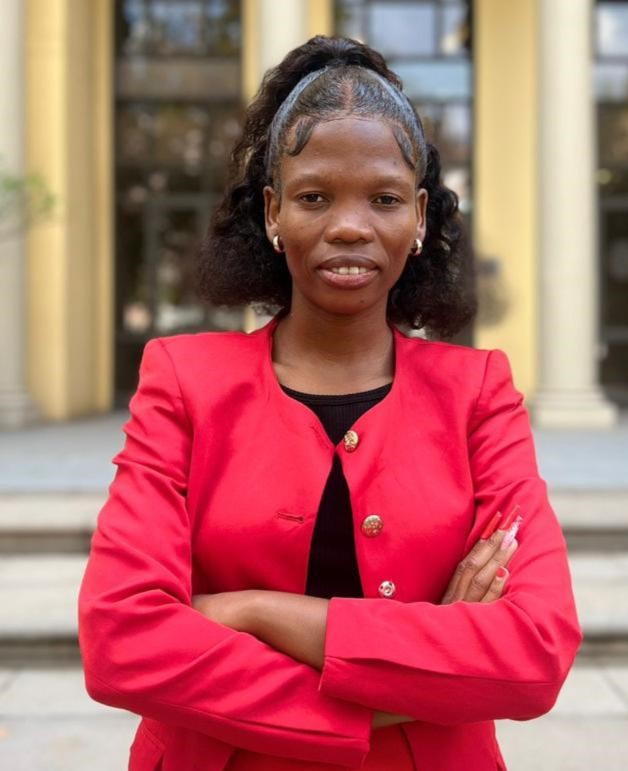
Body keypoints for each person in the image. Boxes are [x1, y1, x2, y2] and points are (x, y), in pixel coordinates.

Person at [78, 35, 583, 771]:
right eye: (315, 197)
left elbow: (534, 650)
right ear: (274, 212)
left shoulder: (478, 394)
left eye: (384, 199)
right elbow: (121, 642)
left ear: (418, 218)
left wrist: (252, 610)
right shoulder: (183, 381)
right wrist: (417, 677)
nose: (350, 225)